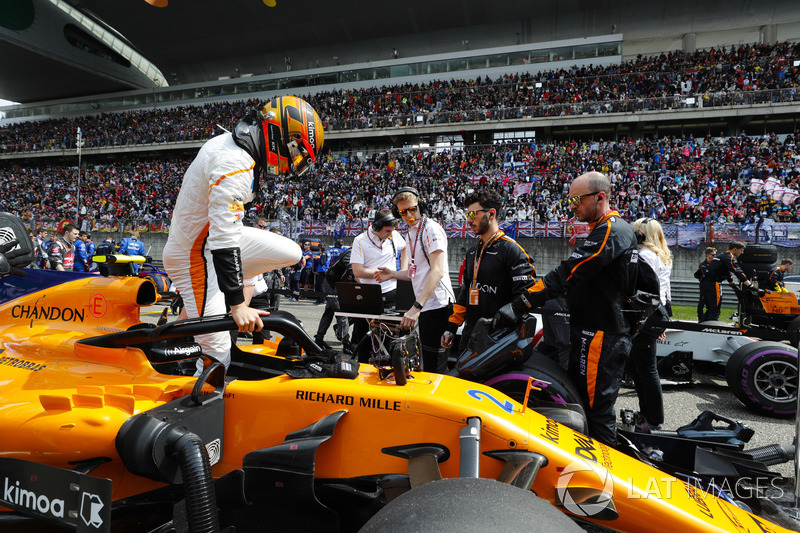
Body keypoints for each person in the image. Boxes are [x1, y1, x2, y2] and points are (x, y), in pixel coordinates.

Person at [162, 96, 324, 373]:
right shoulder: (234, 164)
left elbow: (225, 234)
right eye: (295, 151)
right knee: (218, 354)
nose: (290, 163)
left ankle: (209, 300)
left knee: (292, 252)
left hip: (209, 243)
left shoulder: (234, 147)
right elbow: (223, 240)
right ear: (280, 135)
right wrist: (237, 306)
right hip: (193, 255)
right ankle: (201, 400)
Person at [493, 171, 638, 445]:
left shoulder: (611, 229)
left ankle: (602, 477)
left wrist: (522, 303)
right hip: (594, 331)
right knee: (582, 403)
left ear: (600, 197)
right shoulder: (609, 229)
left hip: (601, 335)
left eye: (576, 199)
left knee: (595, 412)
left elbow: (567, 273)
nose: (571, 205)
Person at [441, 189, 534, 353]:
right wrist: (451, 327)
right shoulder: (472, 252)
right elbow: (465, 293)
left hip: (499, 339)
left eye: (473, 214)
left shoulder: (513, 251)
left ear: (491, 214)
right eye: (467, 215)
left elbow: (525, 297)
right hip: (470, 336)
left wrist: (500, 324)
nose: (469, 221)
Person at [378, 187, 454, 373]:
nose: (409, 215)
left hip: (438, 305)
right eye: (403, 212)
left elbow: (437, 272)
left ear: (421, 206)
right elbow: (413, 273)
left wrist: (415, 308)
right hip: (427, 305)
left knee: (435, 366)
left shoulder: (431, 230)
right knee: (426, 362)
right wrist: (393, 273)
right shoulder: (411, 233)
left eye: (412, 209)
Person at [626, 218, 673, 432]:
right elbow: (666, 291)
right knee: (640, 367)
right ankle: (646, 414)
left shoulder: (645, 255)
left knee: (645, 368)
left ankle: (653, 419)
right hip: (657, 313)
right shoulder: (662, 255)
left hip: (648, 314)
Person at [350, 209, 407, 349]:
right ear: (376, 226)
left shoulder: (394, 235)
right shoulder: (360, 240)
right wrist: (382, 273)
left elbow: (405, 248)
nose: (390, 235)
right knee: (365, 339)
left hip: (391, 293)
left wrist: (401, 271)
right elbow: (357, 272)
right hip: (368, 295)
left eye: (392, 231)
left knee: (390, 339)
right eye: (387, 231)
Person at [700, 241, 752, 322]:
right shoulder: (729, 257)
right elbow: (738, 271)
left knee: (710, 309)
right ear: (735, 249)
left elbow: (726, 272)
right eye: (741, 250)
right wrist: (750, 286)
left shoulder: (722, 255)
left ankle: (701, 325)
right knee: (715, 309)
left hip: (706, 284)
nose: (742, 253)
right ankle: (711, 328)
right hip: (714, 284)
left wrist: (732, 284)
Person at [695, 247, 717, 321]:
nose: (714, 256)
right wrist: (702, 279)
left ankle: (707, 318)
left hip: (712, 287)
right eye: (713, 255)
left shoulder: (716, 263)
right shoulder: (703, 264)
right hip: (704, 287)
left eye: (715, 255)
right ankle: (700, 317)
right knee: (702, 302)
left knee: (710, 304)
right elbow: (705, 274)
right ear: (708, 254)